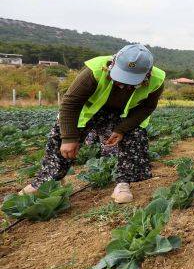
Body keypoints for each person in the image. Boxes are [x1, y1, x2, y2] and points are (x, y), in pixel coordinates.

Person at [20, 44, 165, 203]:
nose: (123, 85)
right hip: (89, 110)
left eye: (131, 81)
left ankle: (123, 184)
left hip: (124, 115)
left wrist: (122, 129)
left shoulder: (156, 80)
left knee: (135, 136)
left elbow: (147, 107)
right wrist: (69, 138)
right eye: (120, 77)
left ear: (147, 74)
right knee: (59, 138)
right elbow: (71, 103)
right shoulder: (95, 70)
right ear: (113, 64)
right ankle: (47, 181)